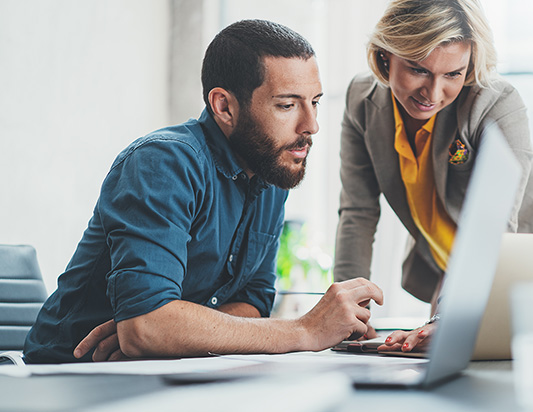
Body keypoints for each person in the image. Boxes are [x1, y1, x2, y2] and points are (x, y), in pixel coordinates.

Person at [23, 19, 382, 364]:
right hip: (71, 373)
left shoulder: (270, 170)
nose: (311, 125)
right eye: (287, 105)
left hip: (171, 371)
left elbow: (252, 301)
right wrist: (303, 331)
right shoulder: (162, 163)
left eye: (314, 102)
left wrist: (173, 332)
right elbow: (146, 328)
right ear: (224, 106)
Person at [333, 0, 533, 353]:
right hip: (458, 271)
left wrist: (448, 317)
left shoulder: (495, 104)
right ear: (386, 56)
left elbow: (492, 228)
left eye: (453, 74)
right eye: (418, 69)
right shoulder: (361, 101)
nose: (433, 94)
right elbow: (358, 213)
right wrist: (348, 315)